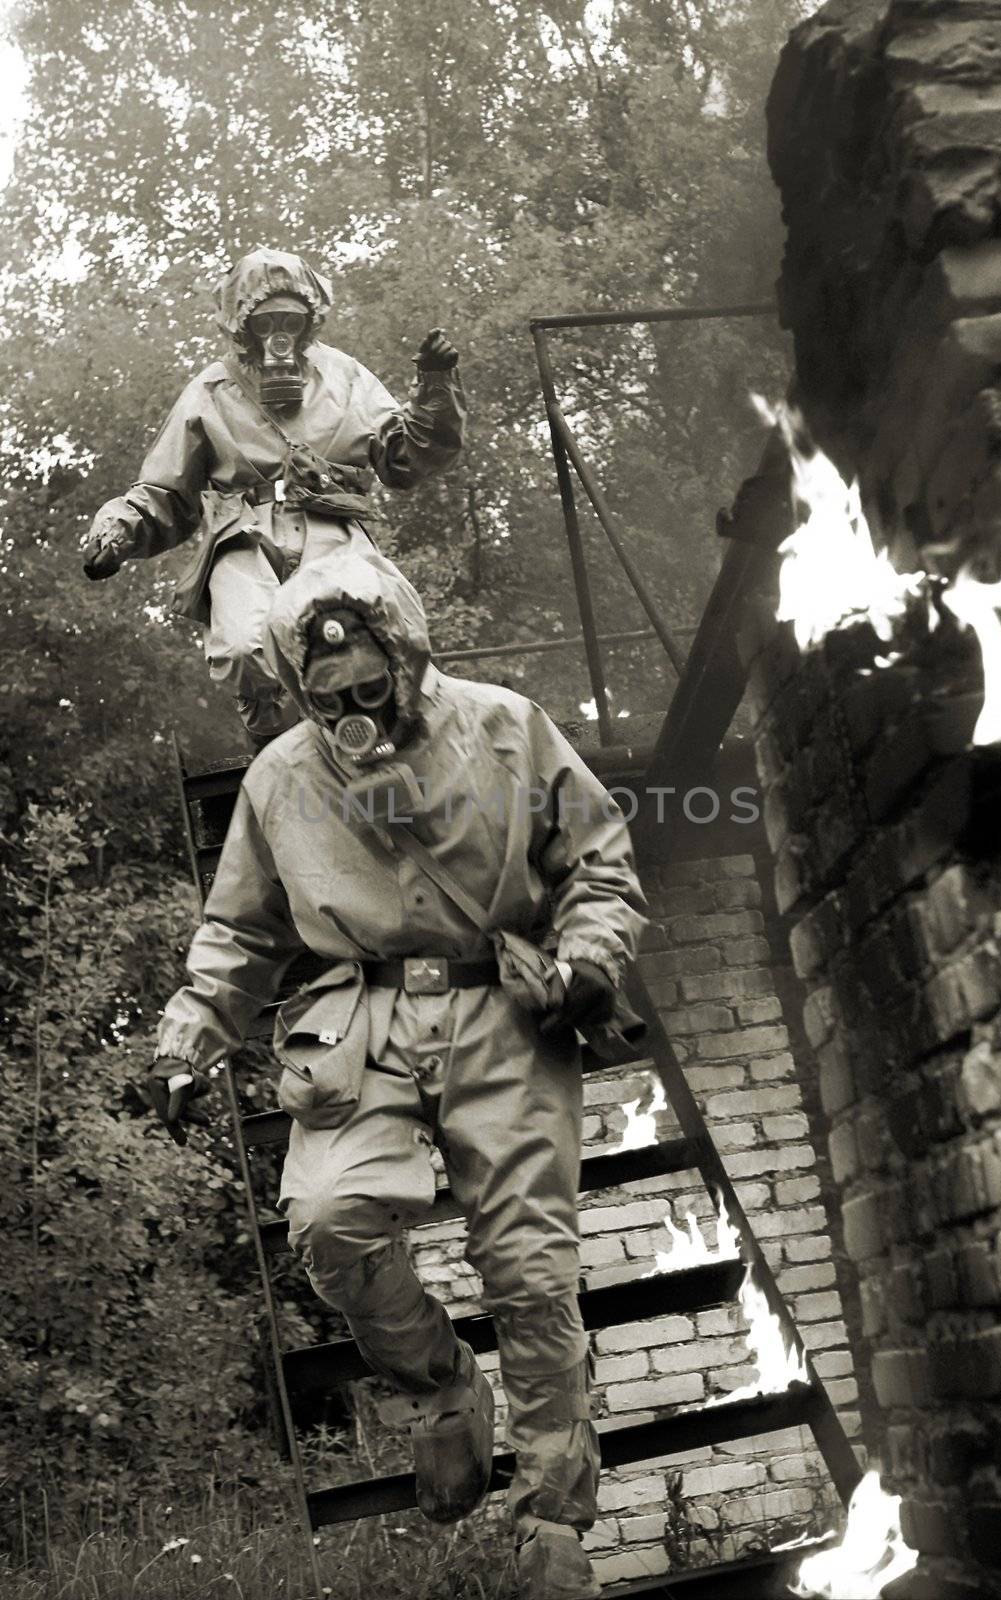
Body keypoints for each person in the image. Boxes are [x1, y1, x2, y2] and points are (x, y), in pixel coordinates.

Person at [142, 547, 647, 1599]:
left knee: (530, 1272)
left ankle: (552, 1517)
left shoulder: (506, 725)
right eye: (325, 694)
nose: (350, 708)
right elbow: (238, 930)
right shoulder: (282, 777)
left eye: (368, 685)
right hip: (355, 1015)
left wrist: (588, 960)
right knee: (326, 1221)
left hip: (501, 1008)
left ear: (405, 655)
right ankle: (441, 1385)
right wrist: (190, 1033)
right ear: (296, 684)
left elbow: (596, 860)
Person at [82, 247, 465, 743]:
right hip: (243, 537)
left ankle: (385, 730)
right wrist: (118, 529)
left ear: (310, 318)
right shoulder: (213, 390)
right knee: (245, 647)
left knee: (379, 624)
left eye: (290, 319)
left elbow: (405, 456)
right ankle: (280, 753)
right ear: (241, 323)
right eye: (264, 322)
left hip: (330, 527)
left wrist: (436, 389)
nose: (278, 335)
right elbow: (164, 490)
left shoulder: (343, 377)